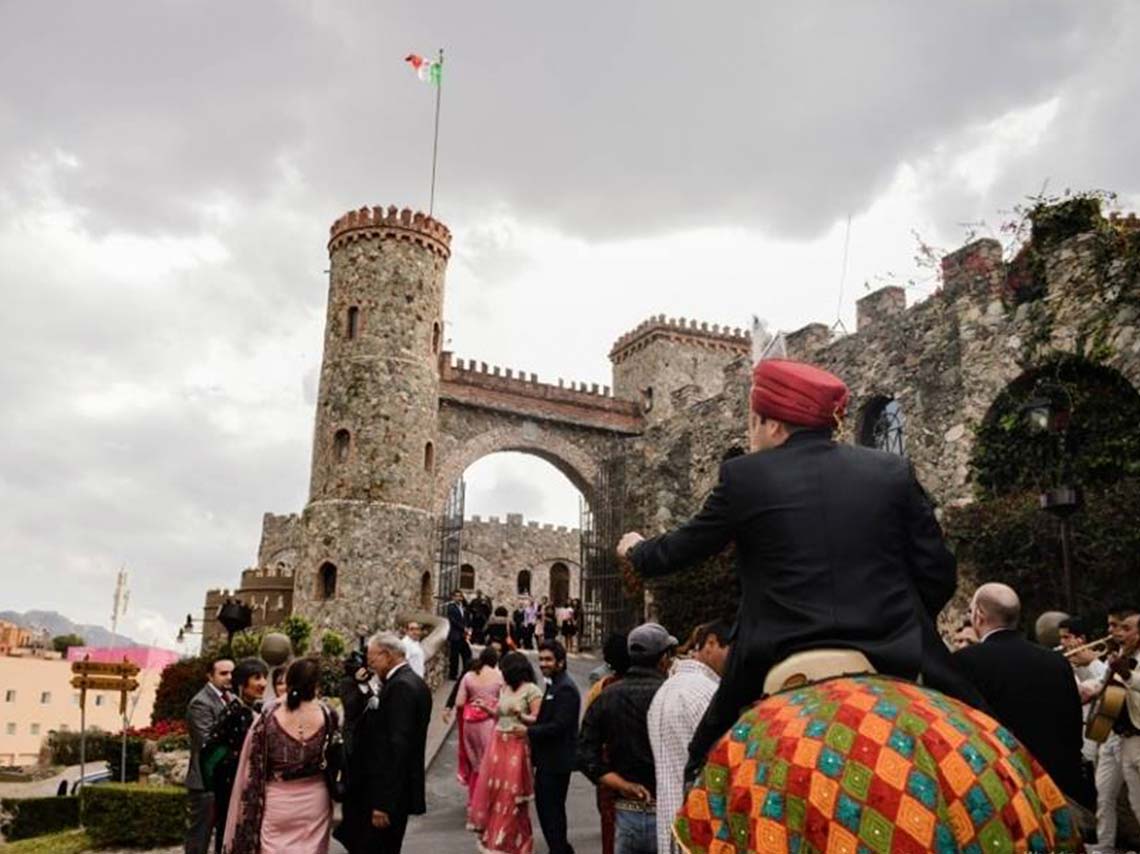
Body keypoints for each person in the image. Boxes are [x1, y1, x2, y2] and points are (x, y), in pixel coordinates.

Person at [617, 357, 982, 781]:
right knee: (995, 742)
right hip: (894, 656)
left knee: (700, 770)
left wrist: (636, 550)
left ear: (772, 425)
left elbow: (680, 550)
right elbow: (938, 573)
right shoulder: (890, 471)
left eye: (752, 423)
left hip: (774, 662)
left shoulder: (743, 477)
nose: (750, 435)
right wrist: (899, 621)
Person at [953, 583, 1090, 807]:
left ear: (978, 615)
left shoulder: (966, 661)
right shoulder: (1056, 661)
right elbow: (1073, 724)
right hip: (1055, 778)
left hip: (1001, 779)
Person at [578, 622, 675, 854]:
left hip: (626, 808)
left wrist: (623, 785)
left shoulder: (607, 696)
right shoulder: (673, 693)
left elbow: (585, 754)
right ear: (663, 659)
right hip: (667, 808)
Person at [222, 657, 336, 854]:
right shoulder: (328, 714)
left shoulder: (270, 715)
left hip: (279, 798)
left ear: (289, 681)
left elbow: (253, 763)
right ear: (316, 684)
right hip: (316, 798)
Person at [338, 632, 432, 854]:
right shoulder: (409, 682)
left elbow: (397, 748)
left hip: (387, 797)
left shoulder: (401, 688)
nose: (371, 666)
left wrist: (383, 803)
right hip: (392, 792)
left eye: (373, 660)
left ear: (388, 656)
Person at [647, 621, 730, 854]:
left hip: (670, 827)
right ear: (711, 643)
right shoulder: (706, 692)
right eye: (731, 650)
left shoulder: (667, 689)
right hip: (697, 830)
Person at [468, 651, 543, 854]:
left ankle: (515, 842)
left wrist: (523, 716)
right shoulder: (505, 689)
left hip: (516, 744)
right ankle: (495, 839)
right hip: (498, 743)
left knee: (512, 795)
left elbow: (537, 719)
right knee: (495, 792)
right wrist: (487, 708)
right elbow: (500, 715)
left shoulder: (532, 690)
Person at [1091, 607, 1140, 853]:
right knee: (1103, 794)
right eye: (1116, 627)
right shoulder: (1117, 654)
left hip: (1136, 737)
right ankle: (1104, 846)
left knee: (1137, 800)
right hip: (1112, 733)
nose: (1119, 633)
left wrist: (1126, 673)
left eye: (1125, 628)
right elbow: (1105, 689)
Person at [209, 657, 268, 854]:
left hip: (249, 784)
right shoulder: (234, 714)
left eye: (265, 678)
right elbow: (213, 752)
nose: (263, 683)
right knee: (229, 833)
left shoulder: (255, 710)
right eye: (257, 678)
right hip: (231, 785)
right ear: (242, 683)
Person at [528, 640, 581, 854]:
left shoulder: (565, 688)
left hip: (557, 762)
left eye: (548, 659)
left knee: (552, 813)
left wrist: (528, 732)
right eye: (541, 659)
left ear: (561, 661)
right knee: (548, 812)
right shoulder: (553, 684)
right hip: (548, 760)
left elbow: (559, 726)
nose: (543, 663)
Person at [583, 632, 631, 854]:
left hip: (609, 767)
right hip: (644, 768)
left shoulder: (602, 688)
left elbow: (587, 734)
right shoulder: (657, 685)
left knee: (611, 829)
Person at [186, 657, 234, 854]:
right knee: (199, 838)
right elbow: (207, 743)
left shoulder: (231, 698)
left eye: (232, 673)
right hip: (205, 782)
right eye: (223, 673)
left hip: (225, 781)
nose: (229, 677)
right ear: (210, 675)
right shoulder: (201, 703)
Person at [455, 645, 503, 807]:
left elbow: (459, 702)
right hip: (489, 721)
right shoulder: (499, 676)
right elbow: (504, 702)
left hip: (470, 722)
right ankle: (488, 798)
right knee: (489, 762)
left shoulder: (468, 676)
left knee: (475, 763)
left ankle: (474, 799)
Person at [447, 589, 471, 680]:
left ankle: (465, 673)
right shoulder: (451, 607)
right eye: (456, 596)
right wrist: (463, 628)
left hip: (463, 635)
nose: (458, 598)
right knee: (454, 656)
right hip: (455, 635)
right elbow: (453, 620)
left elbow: (467, 618)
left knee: (467, 654)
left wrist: (468, 627)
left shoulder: (463, 607)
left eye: (460, 596)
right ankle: (453, 675)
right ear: (453, 597)